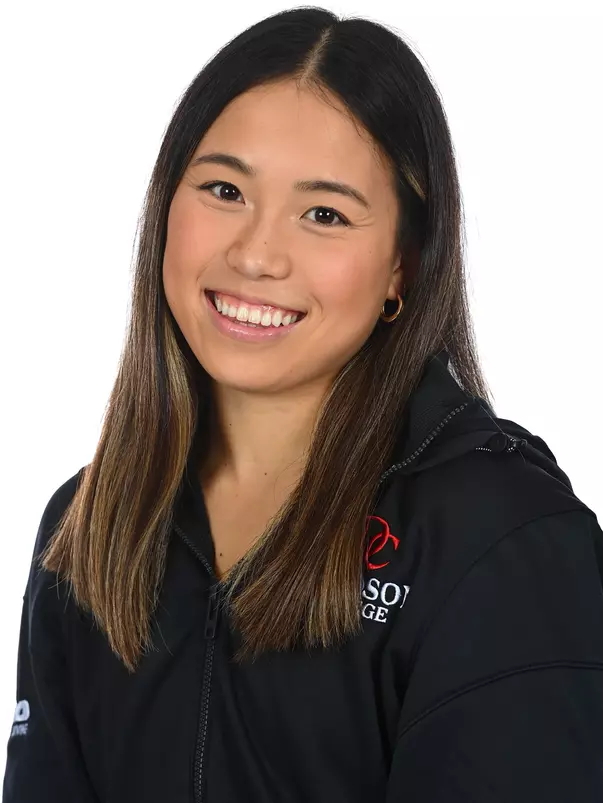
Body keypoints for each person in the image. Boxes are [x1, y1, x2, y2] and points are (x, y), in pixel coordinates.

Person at [4, 6, 603, 802]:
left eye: (323, 214)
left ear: (403, 266)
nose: (255, 253)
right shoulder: (90, 527)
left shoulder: (500, 538)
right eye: (223, 189)